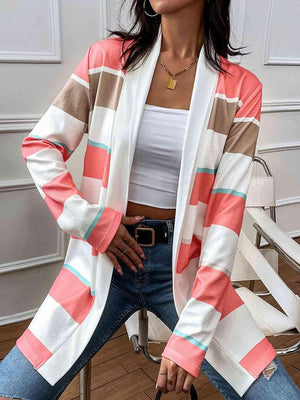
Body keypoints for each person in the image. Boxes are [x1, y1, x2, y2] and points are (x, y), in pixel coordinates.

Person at [1, 1, 300, 399]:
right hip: (101, 264)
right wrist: (89, 222)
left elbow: (225, 220)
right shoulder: (107, 61)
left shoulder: (241, 89)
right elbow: (40, 145)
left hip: (189, 273)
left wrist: (192, 335)